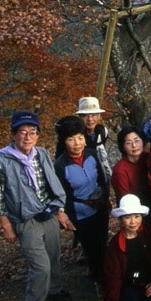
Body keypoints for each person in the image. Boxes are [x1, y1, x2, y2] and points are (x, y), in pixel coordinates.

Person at [0, 110, 75, 301]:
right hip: (25, 219)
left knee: (54, 256)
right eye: (22, 132)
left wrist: (60, 210)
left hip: (49, 213)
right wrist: (6, 225)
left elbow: (52, 183)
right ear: (14, 134)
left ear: (37, 135)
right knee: (40, 265)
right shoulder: (0, 160)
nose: (27, 137)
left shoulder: (41, 154)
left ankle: (54, 289)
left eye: (32, 132)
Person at [54, 116, 111, 289]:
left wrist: (105, 200)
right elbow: (62, 194)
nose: (77, 143)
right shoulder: (60, 165)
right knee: (91, 247)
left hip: (99, 207)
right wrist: (67, 215)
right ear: (64, 142)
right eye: (71, 139)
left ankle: (105, 276)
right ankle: (100, 282)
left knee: (102, 242)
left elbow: (102, 180)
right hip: (80, 213)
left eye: (80, 137)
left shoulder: (92, 155)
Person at [100, 195, 151, 301]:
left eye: (137, 216)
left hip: (149, 280)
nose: (133, 222)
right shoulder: (115, 244)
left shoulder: (150, 232)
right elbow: (113, 275)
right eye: (127, 217)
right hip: (129, 282)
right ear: (121, 220)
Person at [111, 126, 150, 206]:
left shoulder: (150, 158)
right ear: (123, 147)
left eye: (137, 141)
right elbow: (124, 199)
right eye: (128, 143)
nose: (134, 145)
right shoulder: (120, 170)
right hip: (132, 209)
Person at [76, 96, 112, 182]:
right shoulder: (76, 136)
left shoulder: (102, 132)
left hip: (100, 174)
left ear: (99, 116)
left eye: (94, 115)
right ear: (80, 117)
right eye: (85, 115)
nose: (90, 119)